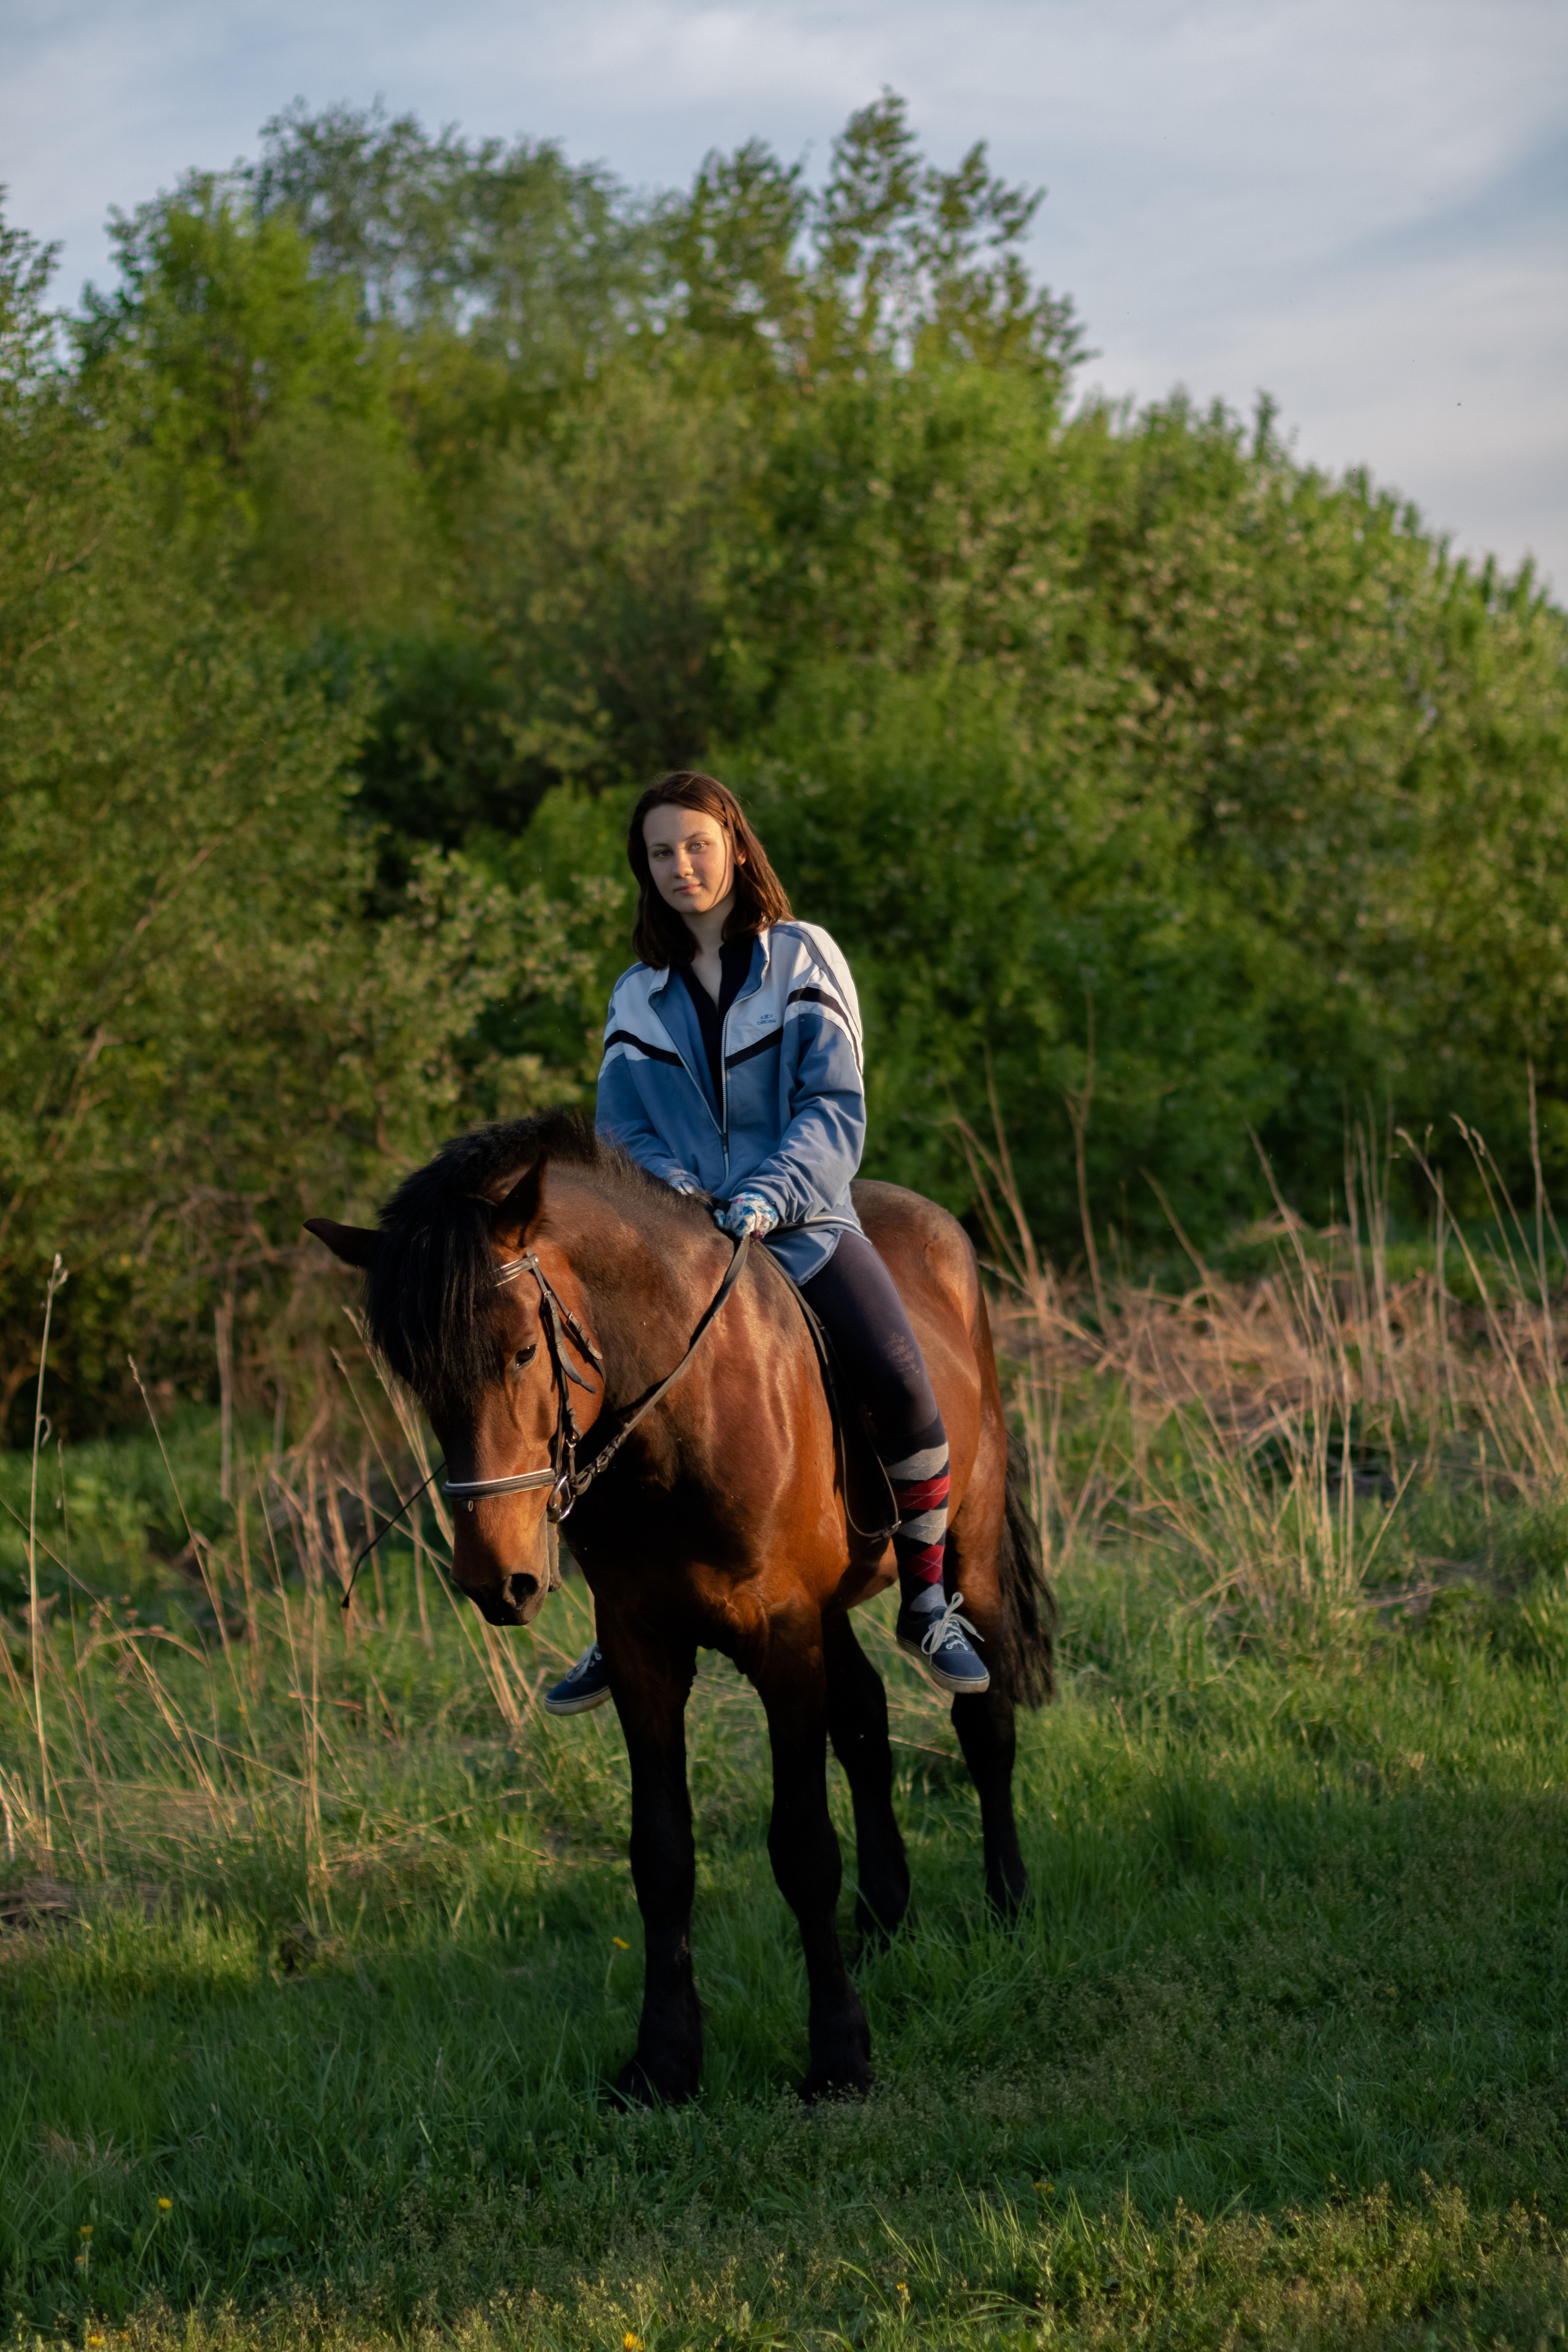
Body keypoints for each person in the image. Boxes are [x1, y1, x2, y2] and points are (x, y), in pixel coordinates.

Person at [542, 769, 988, 1716]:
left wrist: (766, 1195)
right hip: (680, 1246)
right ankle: (618, 1619)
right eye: (661, 853)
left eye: (697, 845)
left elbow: (833, 1105)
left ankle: (926, 1600)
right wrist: (679, 1198)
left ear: (736, 847)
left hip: (803, 1224)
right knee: (597, 1409)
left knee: (904, 1382)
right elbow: (622, 1133)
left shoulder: (802, 957)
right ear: (645, 869)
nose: (681, 865)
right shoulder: (637, 995)